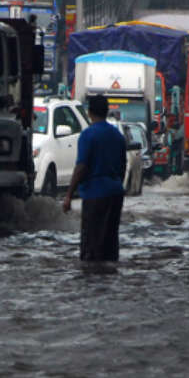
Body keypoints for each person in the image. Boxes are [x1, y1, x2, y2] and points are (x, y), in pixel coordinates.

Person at [62, 95, 127, 262]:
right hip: (115, 193)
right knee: (110, 243)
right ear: (107, 112)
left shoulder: (88, 135)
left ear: (89, 112)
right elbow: (122, 167)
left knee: (91, 246)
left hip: (94, 194)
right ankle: (109, 279)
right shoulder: (118, 136)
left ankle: (92, 283)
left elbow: (81, 167)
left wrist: (69, 194)